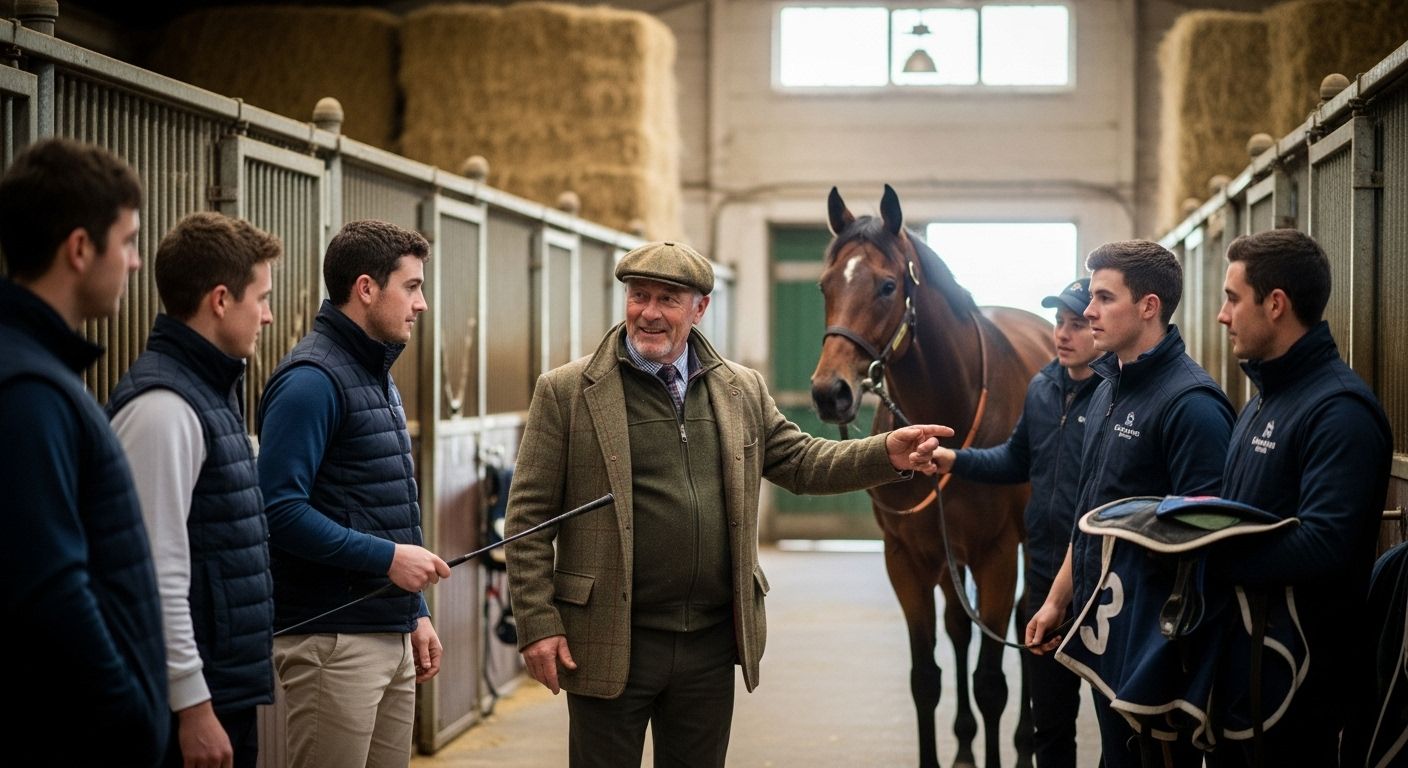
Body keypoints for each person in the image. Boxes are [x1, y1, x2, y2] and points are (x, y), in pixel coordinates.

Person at [504, 241, 952, 768]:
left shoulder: (739, 388)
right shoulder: (568, 392)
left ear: (699, 309)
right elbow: (528, 520)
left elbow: (803, 462)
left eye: (668, 300)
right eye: (638, 296)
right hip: (610, 635)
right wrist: (538, 623)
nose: (649, 312)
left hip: (710, 642)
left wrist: (884, 453)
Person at [1025, 240, 1234, 768]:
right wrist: (1057, 601)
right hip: (1108, 634)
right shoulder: (1107, 388)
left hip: (1156, 649)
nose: (1089, 311)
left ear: (1149, 306)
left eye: (1102, 297)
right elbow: (1091, 511)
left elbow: (1206, 548)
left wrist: (1170, 658)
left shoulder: (1191, 406)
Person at [257, 219, 448, 768]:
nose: (422, 304)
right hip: (333, 640)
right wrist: (388, 560)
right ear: (366, 288)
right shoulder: (311, 380)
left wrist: (414, 611)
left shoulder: (374, 372)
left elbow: (383, 504)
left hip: (386, 630)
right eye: (411, 287)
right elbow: (279, 511)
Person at [0, 138, 168, 764]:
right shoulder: (29, 392)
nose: (133, 262)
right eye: (126, 241)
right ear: (78, 248)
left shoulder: (41, 374)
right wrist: (127, 711)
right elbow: (50, 590)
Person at [1204, 229, 1390, 767]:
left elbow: (1325, 544)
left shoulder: (1340, 410)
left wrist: (1210, 555)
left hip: (1298, 686)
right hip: (1247, 674)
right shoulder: (1263, 400)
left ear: (1276, 304)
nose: (1222, 315)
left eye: (1233, 298)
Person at [108, 212, 282, 768]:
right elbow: (155, 572)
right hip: (190, 708)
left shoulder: (211, 391)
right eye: (262, 298)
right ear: (221, 299)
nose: (269, 315)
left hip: (219, 690)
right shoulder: (164, 408)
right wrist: (192, 705)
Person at [932, 278, 1099, 768]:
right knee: (1050, 721)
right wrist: (952, 459)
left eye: (1077, 325)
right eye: (1059, 324)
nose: (1062, 335)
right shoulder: (1045, 387)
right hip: (1047, 574)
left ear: (1101, 330)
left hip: (1104, 578)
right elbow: (1014, 460)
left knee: (1115, 716)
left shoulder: (1118, 394)